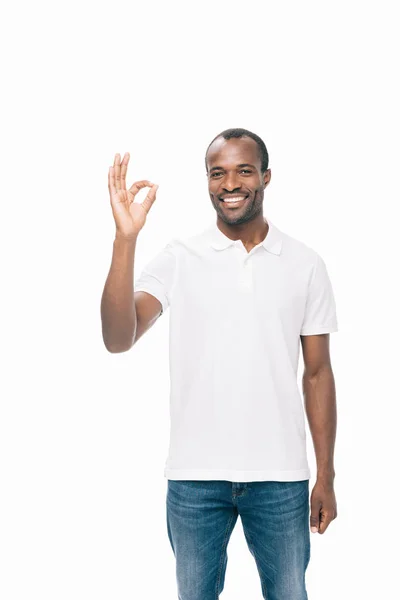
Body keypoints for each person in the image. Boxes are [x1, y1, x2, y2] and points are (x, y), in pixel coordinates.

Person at [101, 128, 338, 600]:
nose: (230, 183)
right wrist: (125, 239)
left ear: (266, 177)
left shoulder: (305, 263)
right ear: (207, 182)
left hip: (280, 476)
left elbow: (317, 374)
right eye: (218, 173)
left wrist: (326, 474)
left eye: (243, 171)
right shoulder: (179, 258)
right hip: (194, 478)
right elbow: (117, 338)